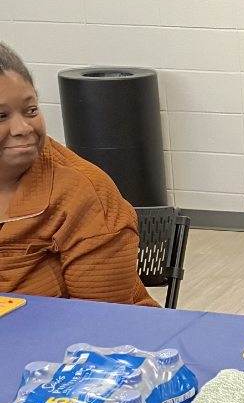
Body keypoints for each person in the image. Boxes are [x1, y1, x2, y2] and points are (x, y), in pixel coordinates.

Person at [0, 43, 155, 305]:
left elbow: (102, 322)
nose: (23, 128)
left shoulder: (82, 191)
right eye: (1, 116)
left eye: (31, 110)